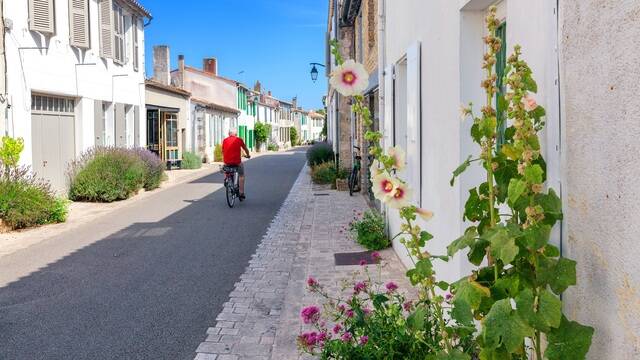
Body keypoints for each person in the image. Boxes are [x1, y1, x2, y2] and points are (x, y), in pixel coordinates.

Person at [222, 128, 251, 200]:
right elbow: (245, 149)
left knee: (226, 168)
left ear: (229, 134)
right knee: (241, 175)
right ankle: (241, 192)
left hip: (227, 162)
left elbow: (223, 151)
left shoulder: (225, 140)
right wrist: (248, 155)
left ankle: (226, 178)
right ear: (236, 134)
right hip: (237, 162)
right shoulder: (239, 140)